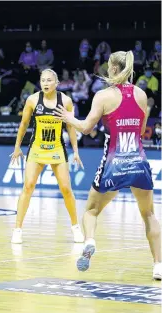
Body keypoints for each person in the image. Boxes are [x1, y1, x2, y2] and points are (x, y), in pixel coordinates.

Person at [54, 51, 161, 280]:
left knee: (91, 211)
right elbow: (141, 132)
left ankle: (90, 241)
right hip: (138, 162)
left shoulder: (103, 96)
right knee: (149, 214)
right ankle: (158, 266)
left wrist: (67, 117)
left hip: (114, 163)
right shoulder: (141, 94)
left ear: (112, 68)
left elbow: (85, 128)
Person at [9, 69, 85, 244]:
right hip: (37, 149)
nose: (45, 83)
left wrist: (75, 151)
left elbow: (71, 127)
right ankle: (17, 229)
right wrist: (17, 147)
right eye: (43, 80)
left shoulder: (65, 101)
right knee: (28, 186)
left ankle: (75, 228)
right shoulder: (33, 100)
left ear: (57, 83)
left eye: (49, 80)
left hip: (57, 149)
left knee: (66, 189)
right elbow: (24, 123)